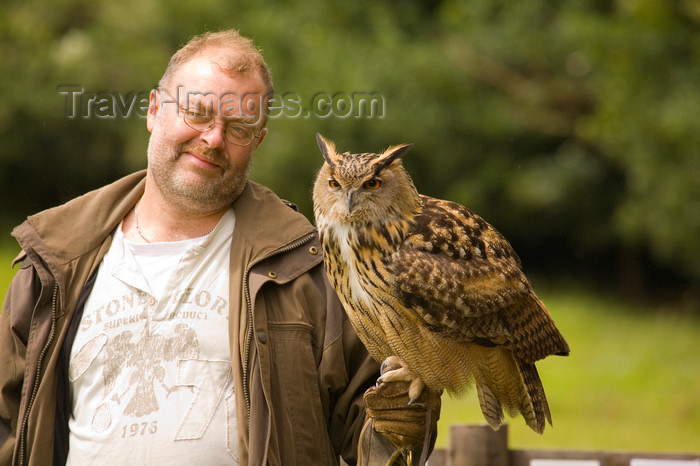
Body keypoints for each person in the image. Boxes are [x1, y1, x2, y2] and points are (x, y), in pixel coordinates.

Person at [0, 29, 439, 465]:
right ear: (154, 110)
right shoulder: (53, 260)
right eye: (198, 112)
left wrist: (405, 416)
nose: (212, 138)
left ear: (258, 141)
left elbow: (380, 436)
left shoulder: (312, 271)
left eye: (239, 127)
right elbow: (8, 424)